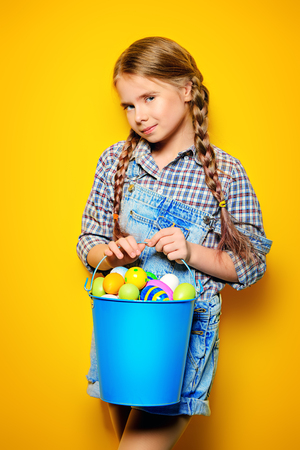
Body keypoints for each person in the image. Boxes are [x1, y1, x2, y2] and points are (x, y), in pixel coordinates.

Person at [77, 36, 272, 450]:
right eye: (128, 105)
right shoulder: (115, 161)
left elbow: (252, 265)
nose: (139, 115)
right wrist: (109, 255)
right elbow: (88, 242)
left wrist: (193, 253)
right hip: (120, 335)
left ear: (186, 90)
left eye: (149, 97)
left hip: (181, 344)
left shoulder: (226, 173)